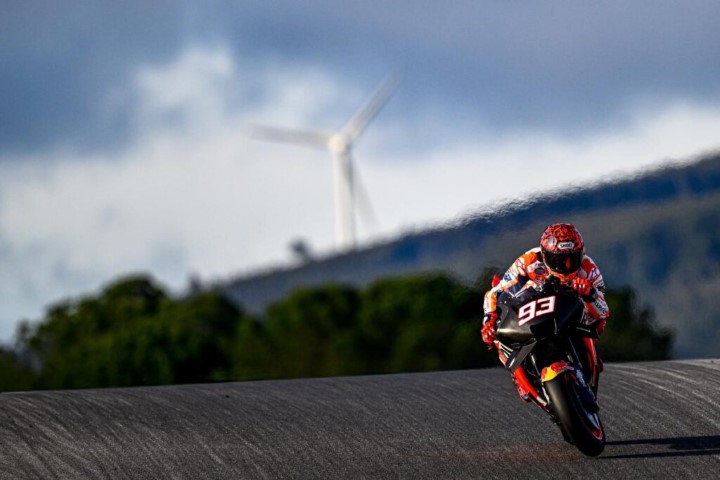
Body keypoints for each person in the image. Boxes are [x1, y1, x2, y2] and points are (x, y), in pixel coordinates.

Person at [480, 223, 610, 403]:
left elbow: (603, 312)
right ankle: (517, 374)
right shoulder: (529, 260)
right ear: (545, 255)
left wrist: (590, 295)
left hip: (569, 313)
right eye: (559, 261)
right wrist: (489, 319)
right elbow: (495, 292)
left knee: (599, 323)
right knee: (495, 331)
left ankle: (589, 356)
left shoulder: (589, 268)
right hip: (534, 306)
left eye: (572, 259)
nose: (567, 267)